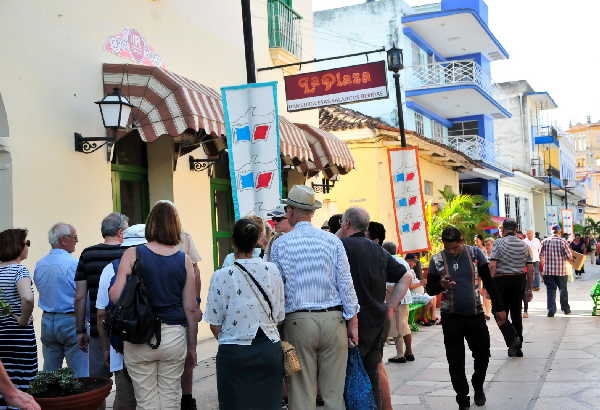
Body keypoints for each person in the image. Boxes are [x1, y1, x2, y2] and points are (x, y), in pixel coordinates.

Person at [270, 185, 359, 410]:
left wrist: (277, 323)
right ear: (312, 212)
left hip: (297, 322)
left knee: (301, 392)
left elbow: (276, 288)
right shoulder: (332, 241)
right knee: (333, 393)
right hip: (333, 320)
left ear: (290, 211)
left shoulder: (280, 244)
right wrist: (352, 320)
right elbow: (345, 283)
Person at [109, 202, 199, 410]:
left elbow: (115, 296)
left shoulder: (133, 254)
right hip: (173, 335)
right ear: (175, 226)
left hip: (138, 334)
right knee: (170, 399)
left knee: (145, 401)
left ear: (150, 225)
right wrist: (192, 346)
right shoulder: (183, 260)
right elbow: (191, 308)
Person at [205, 218, 285, 409]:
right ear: (258, 240)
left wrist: (232, 338)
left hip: (234, 353)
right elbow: (280, 315)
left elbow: (214, 322)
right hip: (268, 349)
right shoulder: (272, 270)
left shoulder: (221, 275)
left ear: (233, 242)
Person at [426, 226, 506, 410]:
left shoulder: (476, 253)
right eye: (448, 248)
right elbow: (430, 289)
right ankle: (462, 395)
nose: (451, 251)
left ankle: (478, 384)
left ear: (462, 241)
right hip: (450, 317)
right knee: (455, 359)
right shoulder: (437, 259)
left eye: (455, 247)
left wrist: (499, 307)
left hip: (475, 314)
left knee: (483, 353)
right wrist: (440, 284)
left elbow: (489, 281)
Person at [338, 209, 409, 408]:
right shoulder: (378, 250)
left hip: (351, 323)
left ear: (347, 223)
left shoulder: (341, 246)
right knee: (372, 374)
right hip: (377, 322)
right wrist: (390, 307)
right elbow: (406, 276)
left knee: (348, 378)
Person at [75, 212, 129, 389]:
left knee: (97, 386)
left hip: (99, 329)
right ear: (121, 232)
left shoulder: (87, 254)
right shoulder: (128, 253)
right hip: (127, 329)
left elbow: (80, 296)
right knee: (127, 387)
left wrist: (80, 329)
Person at [96, 225, 147, 410]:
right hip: (156, 342)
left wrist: (105, 348)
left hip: (122, 344)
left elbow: (101, 313)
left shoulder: (110, 269)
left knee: (126, 400)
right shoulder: (161, 266)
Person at [34, 223, 88, 377]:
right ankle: (79, 401)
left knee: (50, 374)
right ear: (64, 240)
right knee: (80, 374)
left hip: (47, 320)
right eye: (74, 237)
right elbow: (80, 296)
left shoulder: (40, 264)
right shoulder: (74, 264)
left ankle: (49, 400)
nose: (77, 241)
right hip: (70, 320)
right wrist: (81, 328)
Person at [0, 229, 37, 406]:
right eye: (26, 243)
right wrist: (23, 319)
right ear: (18, 246)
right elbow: (27, 297)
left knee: (4, 385)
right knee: (23, 383)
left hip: (1, 336)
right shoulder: (19, 270)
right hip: (19, 338)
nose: (28, 246)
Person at [489, 219, 533, 357]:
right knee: (516, 314)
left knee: (498, 312)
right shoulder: (524, 245)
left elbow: (493, 265)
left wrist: (489, 286)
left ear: (503, 229)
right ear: (515, 229)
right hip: (519, 280)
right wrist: (529, 288)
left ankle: (512, 339)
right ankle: (517, 347)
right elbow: (530, 268)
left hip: (501, 281)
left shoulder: (498, 242)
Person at [176, 228, 203, 410]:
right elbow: (196, 273)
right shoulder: (184, 237)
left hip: (179, 309)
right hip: (181, 310)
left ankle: (186, 398)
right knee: (187, 355)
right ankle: (185, 398)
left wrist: (197, 302)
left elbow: (196, 272)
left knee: (186, 357)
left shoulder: (183, 236)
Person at [540, 226, 573, 317]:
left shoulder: (544, 241)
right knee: (563, 290)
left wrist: (543, 270)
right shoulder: (563, 241)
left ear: (552, 231)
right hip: (561, 271)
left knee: (550, 291)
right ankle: (565, 309)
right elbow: (569, 257)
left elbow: (541, 256)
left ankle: (551, 310)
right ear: (559, 232)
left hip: (548, 271)